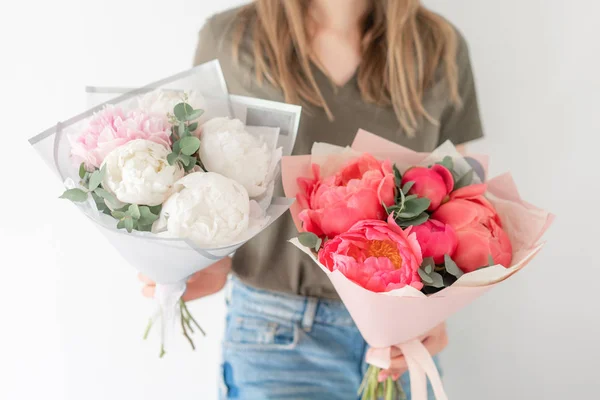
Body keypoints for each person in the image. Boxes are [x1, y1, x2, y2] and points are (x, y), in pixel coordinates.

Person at [140, 0, 483, 398]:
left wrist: (437, 310)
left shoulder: (438, 45)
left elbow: (457, 203)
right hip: (277, 335)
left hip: (402, 342)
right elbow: (196, 176)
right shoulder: (232, 39)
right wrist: (205, 259)